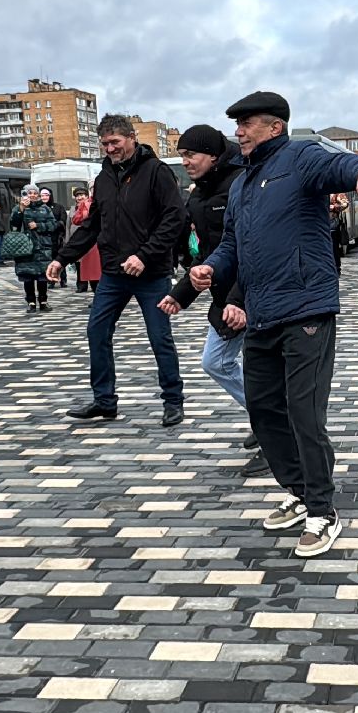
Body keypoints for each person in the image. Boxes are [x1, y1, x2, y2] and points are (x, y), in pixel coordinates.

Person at [192, 92, 358, 557]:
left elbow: (338, 168)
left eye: (246, 124)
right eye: (237, 125)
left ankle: (322, 510)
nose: (237, 131)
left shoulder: (299, 157)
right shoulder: (241, 185)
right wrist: (210, 269)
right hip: (261, 314)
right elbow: (232, 246)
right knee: (263, 409)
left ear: (274, 127)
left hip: (306, 309)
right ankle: (299, 492)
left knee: (304, 413)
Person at [49, 115, 187, 425]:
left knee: (159, 336)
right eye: (106, 144)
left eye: (116, 142)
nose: (111, 148)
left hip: (150, 274)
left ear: (132, 138)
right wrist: (62, 258)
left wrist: (145, 255)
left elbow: (174, 218)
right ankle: (104, 401)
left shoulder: (156, 172)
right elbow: (93, 225)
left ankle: (173, 400)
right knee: (96, 331)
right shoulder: (104, 177)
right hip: (113, 273)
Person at [158, 124, 265, 473]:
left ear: (214, 155)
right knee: (215, 362)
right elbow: (207, 251)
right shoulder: (199, 194)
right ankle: (265, 419)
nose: (185, 162)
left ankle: (273, 435)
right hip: (225, 296)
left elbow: (250, 249)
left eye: (191, 155)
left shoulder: (239, 183)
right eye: (182, 155)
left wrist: (240, 299)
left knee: (263, 371)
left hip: (255, 293)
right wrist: (181, 293)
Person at [11, 190, 58, 311]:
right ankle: (30, 301)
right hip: (24, 247)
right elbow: (13, 225)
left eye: (34, 193)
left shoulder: (45, 209)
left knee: (42, 276)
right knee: (28, 276)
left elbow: (53, 225)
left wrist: (38, 225)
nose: (32, 195)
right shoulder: (18, 208)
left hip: (42, 247)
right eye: (28, 193)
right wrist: (21, 208)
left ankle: (43, 300)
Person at [69, 187, 101, 293]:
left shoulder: (108, 200)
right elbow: (75, 220)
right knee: (93, 272)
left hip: (104, 240)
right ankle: (97, 296)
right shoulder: (85, 204)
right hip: (91, 241)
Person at [39, 188, 68, 284]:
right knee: (47, 259)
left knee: (59, 258)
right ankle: (50, 280)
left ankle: (62, 279)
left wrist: (53, 225)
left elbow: (63, 220)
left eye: (46, 195)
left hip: (57, 237)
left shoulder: (58, 207)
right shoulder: (38, 208)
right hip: (43, 238)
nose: (44, 197)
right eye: (42, 195)